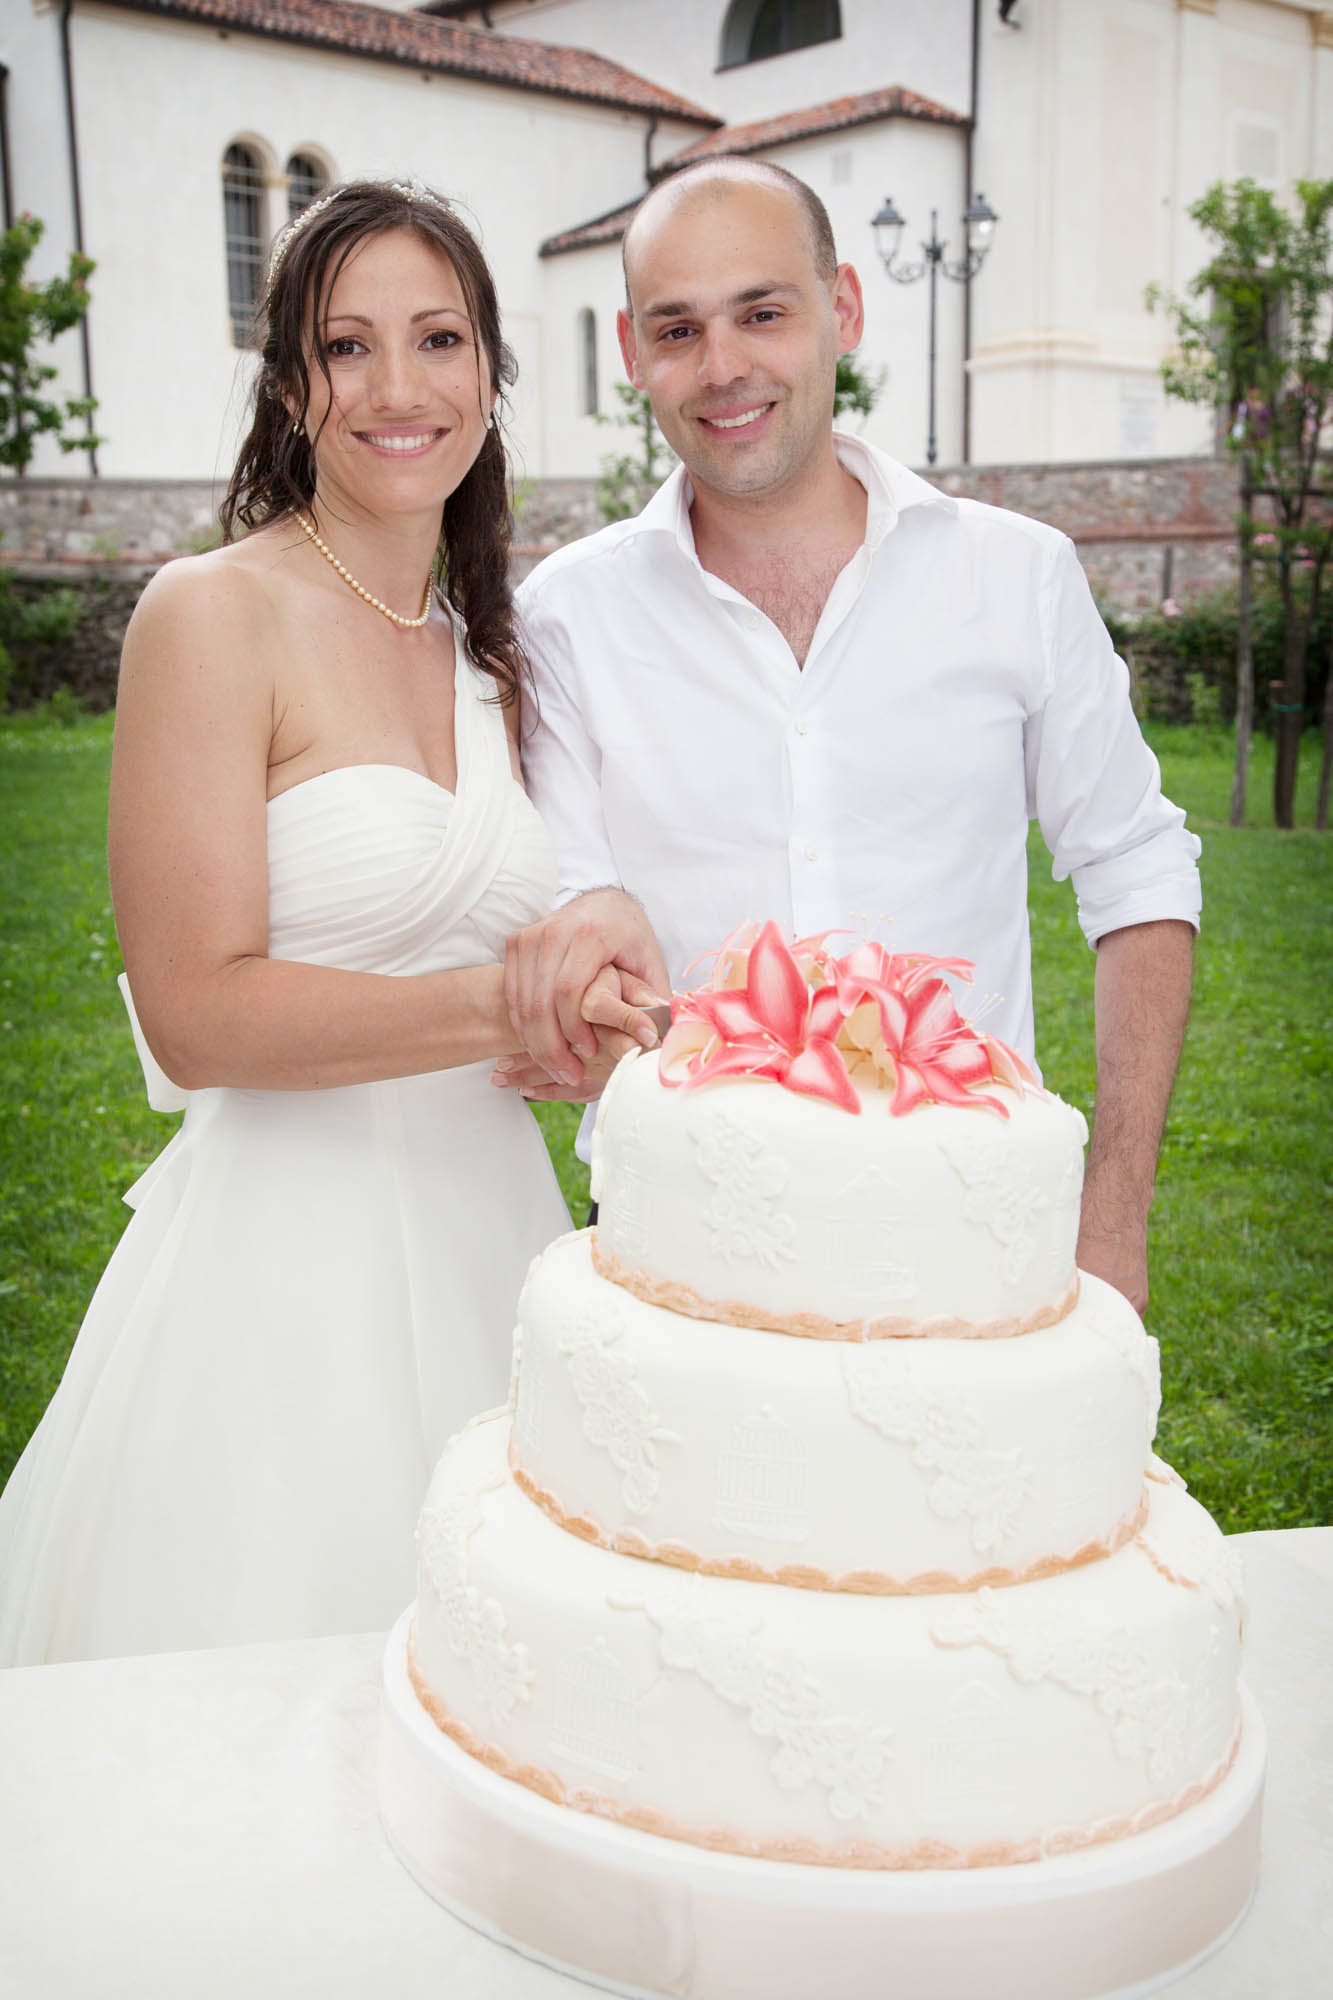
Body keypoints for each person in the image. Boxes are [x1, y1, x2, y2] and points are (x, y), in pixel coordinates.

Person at [0, 180, 653, 1667]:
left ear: (493, 373)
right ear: (293, 387)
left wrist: (596, 988)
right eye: (347, 348)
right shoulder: (211, 614)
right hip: (281, 1278)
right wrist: (509, 1006)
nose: (398, 387)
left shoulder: (498, 649)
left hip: (496, 1236)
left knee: (516, 1688)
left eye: (438, 339)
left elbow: (553, 911)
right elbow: (195, 1012)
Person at [498, 158, 1200, 1318]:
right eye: (678, 329)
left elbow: (1136, 871)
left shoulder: (1015, 575)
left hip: (976, 1224)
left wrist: (1111, 1211)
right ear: (632, 354)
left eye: (762, 313)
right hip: (682, 1249)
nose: (722, 367)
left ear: (847, 311)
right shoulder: (566, 618)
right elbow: (580, 930)